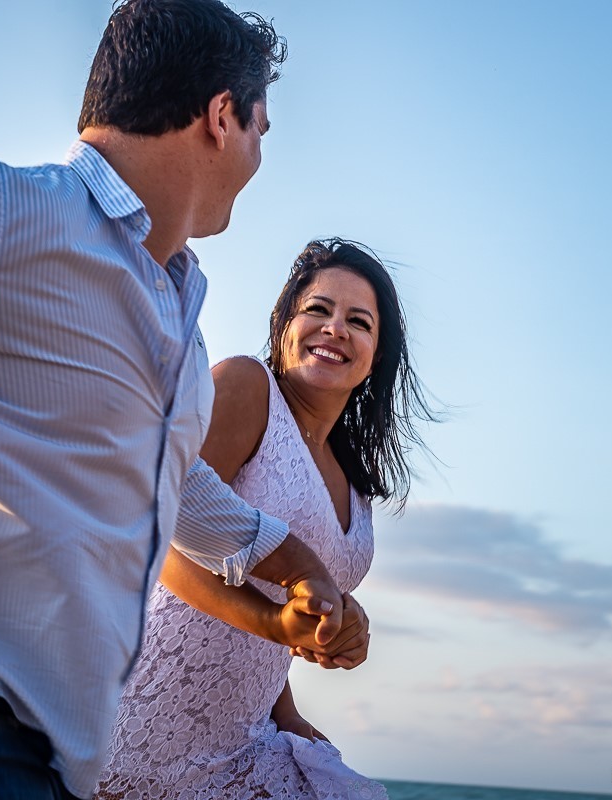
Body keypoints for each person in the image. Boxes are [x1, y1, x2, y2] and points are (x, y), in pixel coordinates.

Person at [0, 2, 356, 798]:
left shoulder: (181, 324)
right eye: (263, 128)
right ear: (222, 116)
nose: (261, 154)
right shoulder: (7, 213)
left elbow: (174, 485)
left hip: (55, 756)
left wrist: (300, 567)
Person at [96, 239, 435, 799]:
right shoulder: (248, 388)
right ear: (284, 322)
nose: (334, 329)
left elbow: (284, 616)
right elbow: (158, 536)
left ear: (378, 352)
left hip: (244, 734)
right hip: (146, 709)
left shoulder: (354, 478)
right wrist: (272, 622)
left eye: (358, 321)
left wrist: (334, 633)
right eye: (318, 310)